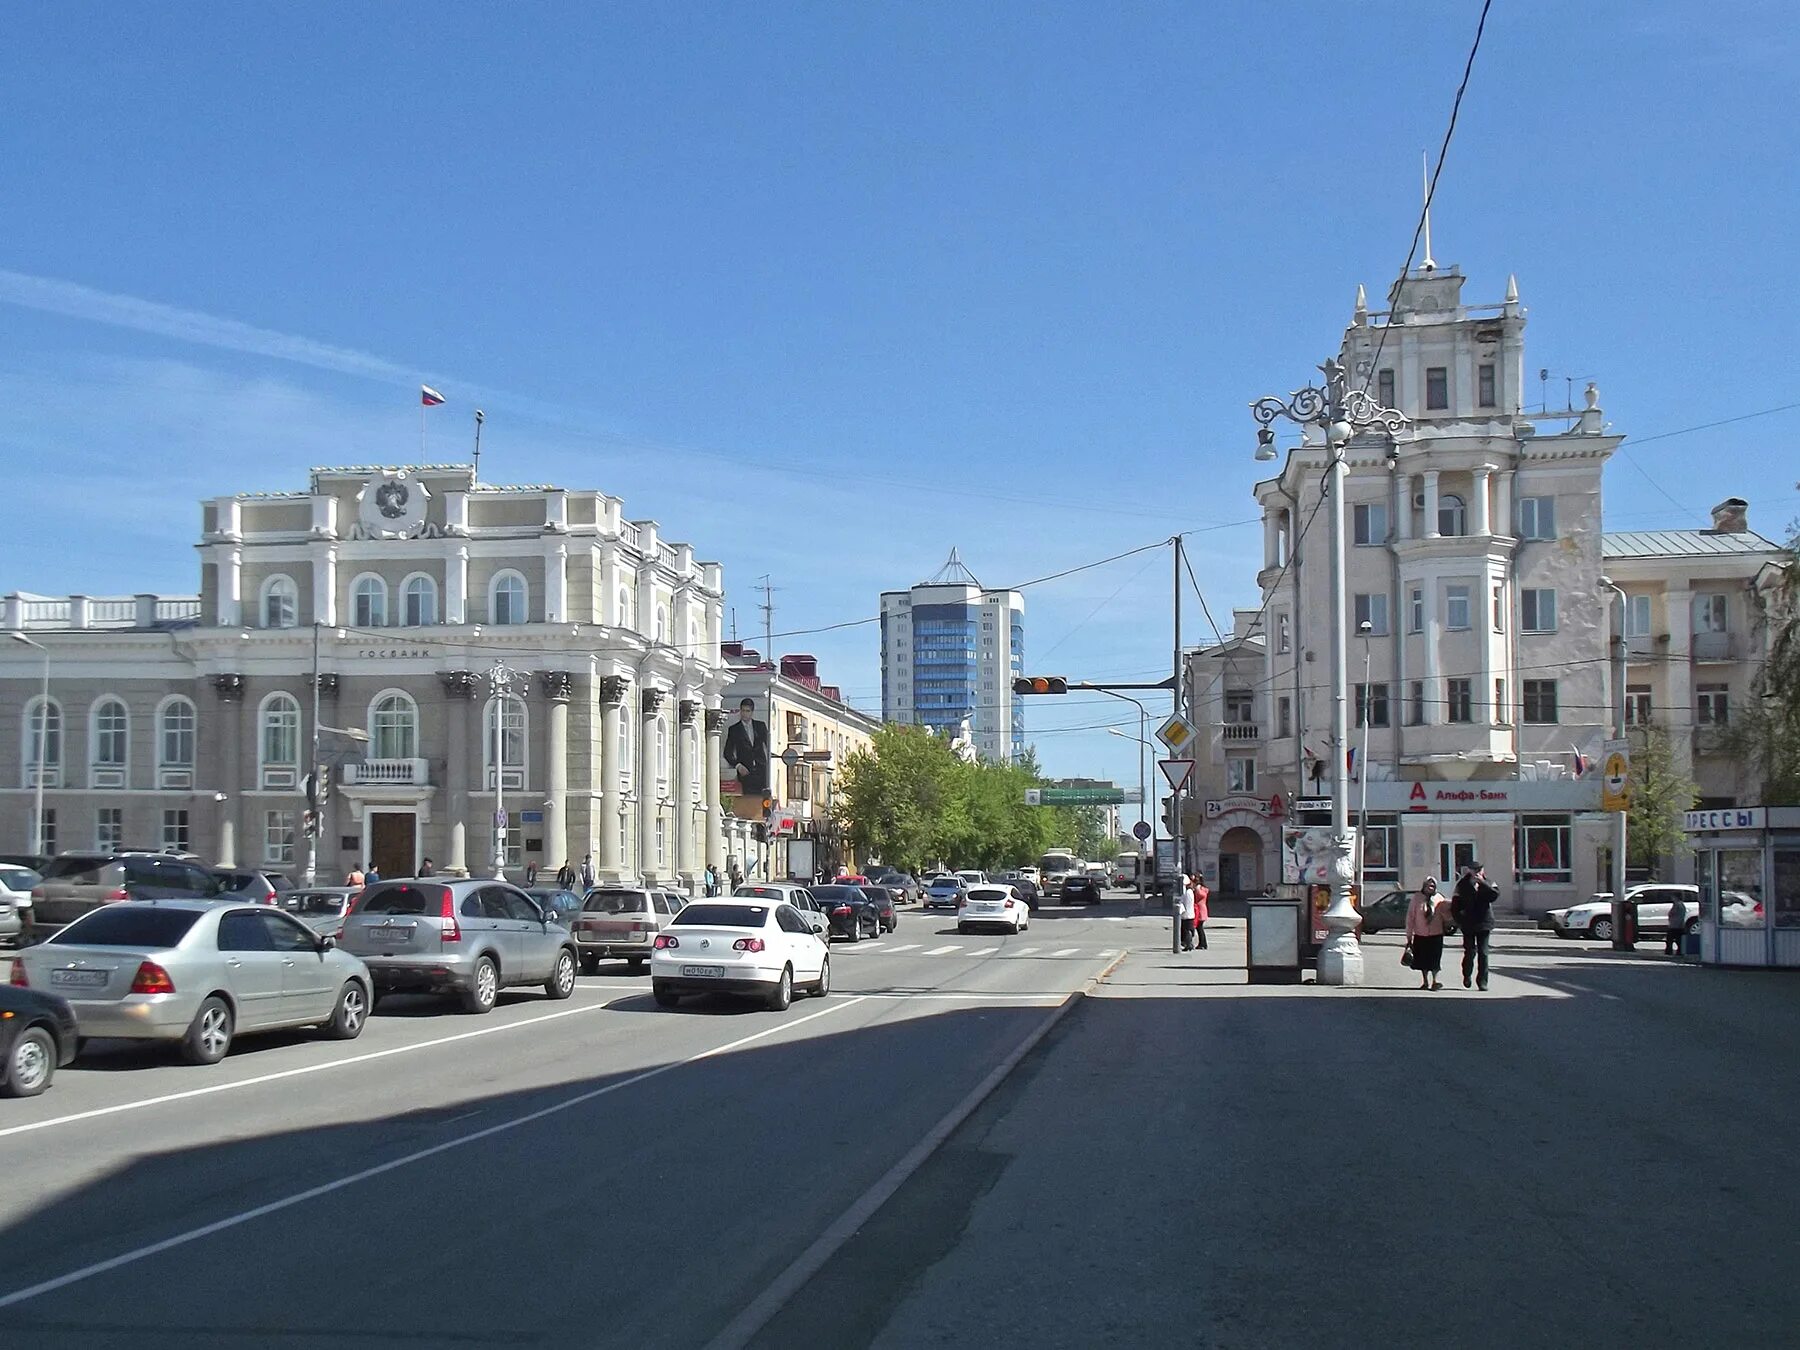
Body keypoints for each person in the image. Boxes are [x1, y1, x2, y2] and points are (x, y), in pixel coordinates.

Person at [1449, 862, 1499, 990]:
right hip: (1468, 923)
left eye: (1479, 870)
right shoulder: (1462, 884)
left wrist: (1482, 883)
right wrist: (1459, 920)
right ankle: (1467, 975)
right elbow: (1455, 905)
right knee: (1470, 952)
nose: (1477, 872)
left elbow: (1495, 895)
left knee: (1483, 953)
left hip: (1484, 922)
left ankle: (1482, 981)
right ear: (1469, 871)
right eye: (1474, 870)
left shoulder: (1488, 883)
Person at [1405, 877, 1447, 991]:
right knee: (1423, 960)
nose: (1430, 887)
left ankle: (1435, 981)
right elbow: (1410, 917)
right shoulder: (1417, 898)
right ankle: (1425, 982)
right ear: (1424, 886)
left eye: (1433, 885)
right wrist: (1409, 936)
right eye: (1428, 885)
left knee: (1435, 959)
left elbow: (1446, 914)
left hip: (1436, 933)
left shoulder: (1439, 898)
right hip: (1421, 934)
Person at [722, 698, 771, 796]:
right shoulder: (734, 729)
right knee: (748, 798)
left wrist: (768, 764)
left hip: (761, 770)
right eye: (743, 710)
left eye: (747, 711)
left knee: (763, 799)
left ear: (752, 712)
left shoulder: (760, 726)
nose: (745, 714)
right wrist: (738, 766)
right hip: (745, 772)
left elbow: (768, 745)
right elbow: (727, 752)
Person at [1173, 871, 1194, 952]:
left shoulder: (1187, 892)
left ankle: (1188, 944)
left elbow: (1185, 902)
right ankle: (1189, 944)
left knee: (1186, 930)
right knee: (1187, 930)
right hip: (1189, 913)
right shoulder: (1190, 891)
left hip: (1186, 914)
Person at [1190, 872, 1211, 950]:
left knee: (1199, 928)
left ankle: (1203, 943)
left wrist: (1196, 888)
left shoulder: (1199, 888)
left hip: (1199, 910)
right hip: (1202, 909)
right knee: (1199, 927)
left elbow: (1199, 895)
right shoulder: (1203, 888)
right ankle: (1202, 943)